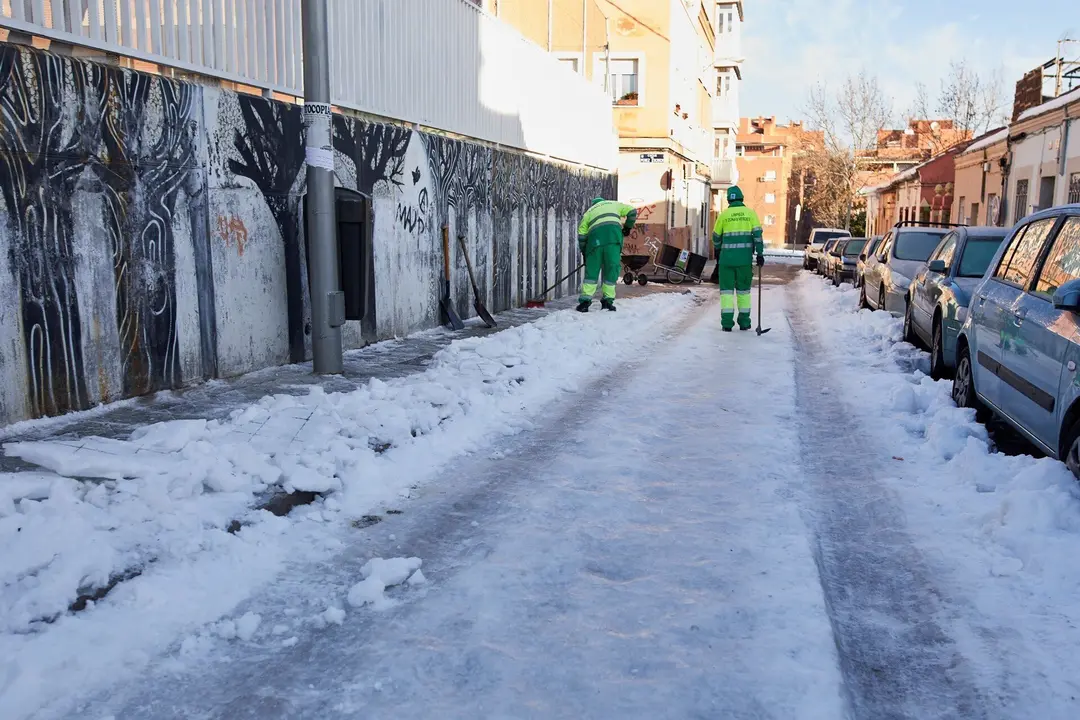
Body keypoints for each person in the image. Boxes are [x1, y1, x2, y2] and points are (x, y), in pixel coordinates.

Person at [712, 186, 764, 331]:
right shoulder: (750, 214)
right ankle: (745, 322)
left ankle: (727, 324)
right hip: (744, 261)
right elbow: (758, 236)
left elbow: (716, 236)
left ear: (729, 199)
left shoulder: (724, 215)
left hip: (726, 261)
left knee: (727, 293)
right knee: (743, 292)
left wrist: (717, 249)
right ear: (741, 198)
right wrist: (760, 254)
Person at [576, 197, 638, 312]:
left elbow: (582, 235)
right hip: (613, 241)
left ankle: (584, 303)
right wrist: (627, 228)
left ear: (594, 204)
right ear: (603, 201)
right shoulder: (615, 204)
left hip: (594, 245)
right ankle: (607, 302)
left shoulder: (589, 212)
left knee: (591, 274)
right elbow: (632, 212)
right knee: (611, 271)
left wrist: (585, 253)